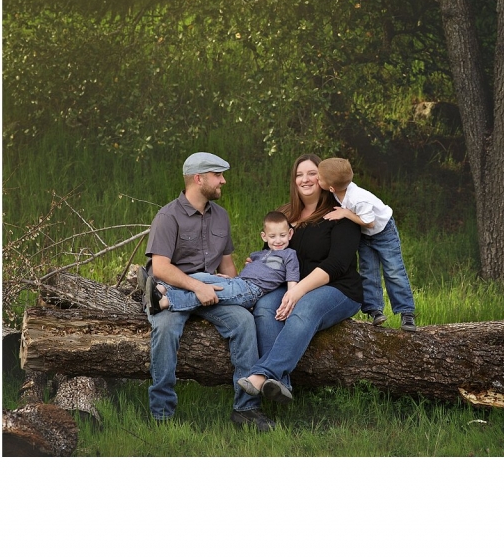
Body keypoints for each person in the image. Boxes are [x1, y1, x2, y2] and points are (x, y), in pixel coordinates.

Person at [140, 151, 275, 431]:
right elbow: (161, 268)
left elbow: (228, 269)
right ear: (198, 178)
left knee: (244, 321)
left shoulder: (221, 217)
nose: (223, 181)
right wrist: (197, 287)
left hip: (210, 291)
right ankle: (162, 413)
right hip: (174, 286)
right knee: (164, 329)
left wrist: (237, 287)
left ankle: (246, 409)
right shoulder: (167, 216)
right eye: (218, 175)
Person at [235, 154, 363, 403]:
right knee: (264, 307)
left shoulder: (340, 214)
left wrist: (298, 291)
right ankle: (280, 385)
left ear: (323, 178)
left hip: (338, 289)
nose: (305, 179)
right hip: (291, 287)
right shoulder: (284, 215)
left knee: (303, 308)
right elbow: (271, 255)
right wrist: (256, 264)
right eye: (299, 174)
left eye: (312, 173)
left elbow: (337, 264)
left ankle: (264, 375)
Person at [316, 157, 416, 331]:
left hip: (383, 232)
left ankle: (406, 313)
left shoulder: (358, 199)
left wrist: (346, 213)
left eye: (319, 178)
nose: (316, 180)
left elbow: (369, 222)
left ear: (331, 187)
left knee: (393, 271)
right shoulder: (336, 191)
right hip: (364, 235)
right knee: (368, 271)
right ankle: (375, 310)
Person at [144, 211, 299, 314]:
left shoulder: (290, 255)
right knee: (200, 277)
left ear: (290, 234)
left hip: (251, 292)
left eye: (282, 235)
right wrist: (235, 276)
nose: (278, 241)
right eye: (273, 237)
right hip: (238, 282)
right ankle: (160, 287)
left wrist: (289, 302)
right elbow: (250, 269)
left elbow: (292, 282)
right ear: (264, 237)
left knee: (207, 293)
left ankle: (163, 302)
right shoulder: (260, 254)